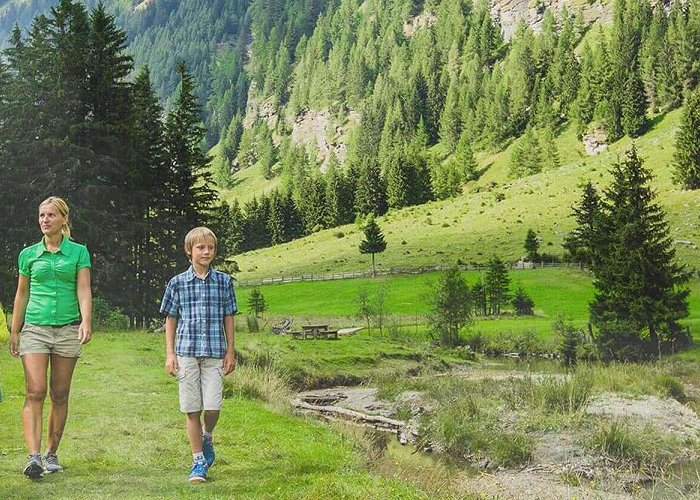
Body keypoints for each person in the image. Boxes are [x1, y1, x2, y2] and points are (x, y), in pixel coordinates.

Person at [9, 196, 92, 479]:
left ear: (64, 219)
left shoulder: (79, 252)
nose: (45, 219)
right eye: (42, 215)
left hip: (68, 329)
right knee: (35, 391)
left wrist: (86, 320)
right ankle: (33, 458)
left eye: (51, 215)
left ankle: (51, 452)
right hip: (35, 329)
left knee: (60, 393)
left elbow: (83, 289)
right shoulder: (28, 255)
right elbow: (22, 294)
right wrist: (14, 330)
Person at [160, 227, 236, 483]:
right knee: (192, 408)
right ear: (189, 251)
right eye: (201, 247)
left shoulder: (224, 282)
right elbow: (170, 319)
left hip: (215, 352)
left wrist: (230, 351)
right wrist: (170, 353)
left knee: (213, 406)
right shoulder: (177, 283)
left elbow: (229, 317)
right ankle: (198, 462)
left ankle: (207, 436)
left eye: (210, 248)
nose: (206, 252)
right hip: (186, 353)